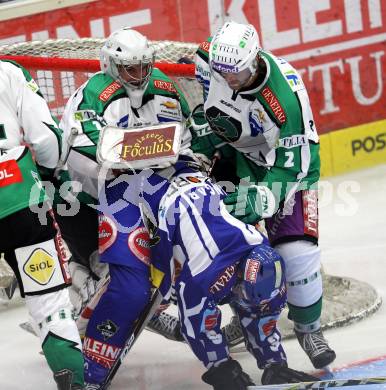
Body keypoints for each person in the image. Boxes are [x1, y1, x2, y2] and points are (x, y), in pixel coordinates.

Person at [57, 27, 318, 389]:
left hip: (175, 179)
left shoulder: (164, 86)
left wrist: (250, 365)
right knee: (131, 290)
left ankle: (270, 358)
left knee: (241, 283)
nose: (140, 74)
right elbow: (74, 143)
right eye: (130, 68)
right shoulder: (93, 94)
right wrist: (120, 155)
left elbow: (188, 138)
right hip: (117, 188)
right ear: (112, 65)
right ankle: (92, 365)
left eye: (144, 66)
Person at [190, 20, 336, 370]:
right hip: (237, 158)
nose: (230, 80)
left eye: (237, 74)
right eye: (223, 73)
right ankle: (245, 315)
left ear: (255, 59)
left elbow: (293, 165)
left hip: (288, 171)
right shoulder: (211, 60)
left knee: (296, 253)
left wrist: (264, 198)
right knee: (233, 246)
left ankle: (308, 329)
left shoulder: (286, 95)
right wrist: (200, 139)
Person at [0, 60, 84, 389]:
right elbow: (48, 141)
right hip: (18, 195)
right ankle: (75, 381)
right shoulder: (8, 71)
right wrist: (51, 173)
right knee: (49, 305)